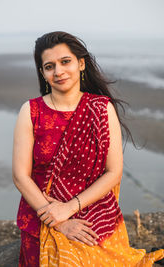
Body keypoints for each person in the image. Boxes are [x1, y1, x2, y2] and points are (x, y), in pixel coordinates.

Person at [12, 31, 164, 266]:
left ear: (81, 63)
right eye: (49, 66)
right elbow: (21, 176)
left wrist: (70, 208)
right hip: (41, 213)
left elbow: (113, 171)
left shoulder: (101, 108)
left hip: (93, 213)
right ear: (43, 73)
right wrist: (58, 220)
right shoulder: (31, 111)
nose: (59, 72)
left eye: (65, 62)